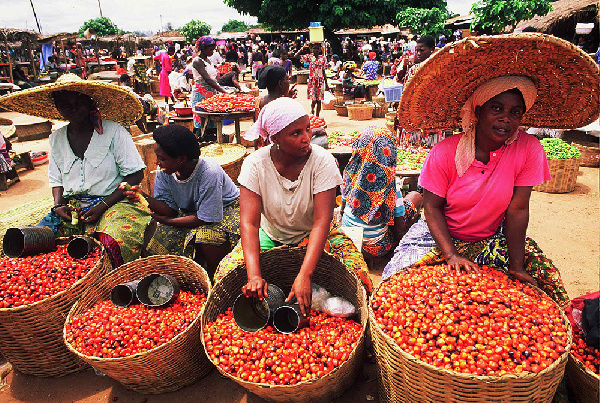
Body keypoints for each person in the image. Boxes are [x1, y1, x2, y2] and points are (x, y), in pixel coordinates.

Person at [383, 34, 600, 308]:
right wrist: (450, 255)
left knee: (547, 289)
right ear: (478, 109)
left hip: (492, 235)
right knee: (396, 290)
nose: (505, 119)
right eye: (496, 108)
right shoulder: (445, 152)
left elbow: (518, 209)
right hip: (437, 236)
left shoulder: (529, 149)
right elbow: (433, 208)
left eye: (515, 112)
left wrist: (517, 265)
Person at [215, 97, 373, 314]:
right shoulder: (255, 165)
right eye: (295, 133)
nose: (306, 138)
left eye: (308, 129)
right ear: (275, 138)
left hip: (316, 234)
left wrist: (305, 274)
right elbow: (250, 224)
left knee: (359, 279)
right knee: (225, 275)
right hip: (270, 234)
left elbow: (321, 222)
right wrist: (254, 276)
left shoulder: (322, 161)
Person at [0, 73, 150, 266]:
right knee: (30, 242)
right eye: (65, 104)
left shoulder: (114, 132)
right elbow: (57, 179)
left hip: (114, 203)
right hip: (73, 208)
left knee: (113, 243)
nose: (72, 109)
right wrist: (58, 206)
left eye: (78, 103)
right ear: (57, 107)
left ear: (89, 102)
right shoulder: (57, 138)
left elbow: (136, 174)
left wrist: (103, 205)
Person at [124, 125, 240, 277]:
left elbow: (205, 218)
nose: (157, 162)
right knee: (160, 236)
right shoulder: (165, 173)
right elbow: (169, 209)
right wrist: (142, 196)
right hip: (192, 213)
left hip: (224, 210)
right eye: (157, 157)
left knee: (207, 238)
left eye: (162, 158)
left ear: (181, 159)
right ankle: (182, 278)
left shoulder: (208, 172)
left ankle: (216, 278)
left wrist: (166, 220)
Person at [341, 127, 422, 265]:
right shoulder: (389, 184)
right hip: (376, 247)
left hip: (348, 239)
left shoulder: (350, 173)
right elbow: (399, 230)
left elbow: (342, 208)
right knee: (416, 197)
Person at [191, 36, 228, 138]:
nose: (212, 51)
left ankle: (212, 143)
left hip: (211, 93)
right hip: (201, 94)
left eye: (213, 49)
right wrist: (224, 91)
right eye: (210, 49)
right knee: (202, 121)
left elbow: (213, 78)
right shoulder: (197, 61)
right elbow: (207, 79)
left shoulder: (209, 60)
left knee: (212, 120)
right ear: (203, 49)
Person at [297, 43, 329, 116]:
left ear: (320, 49)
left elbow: (323, 70)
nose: (316, 50)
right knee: (313, 100)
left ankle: (317, 116)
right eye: (314, 48)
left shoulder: (323, 58)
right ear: (312, 49)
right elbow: (296, 56)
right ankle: (312, 111)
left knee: (319, 100)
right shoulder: (310, 57)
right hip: (312, 81)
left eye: (317, 49)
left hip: (320, 81)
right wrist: (303, 48)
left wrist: (326, 83)